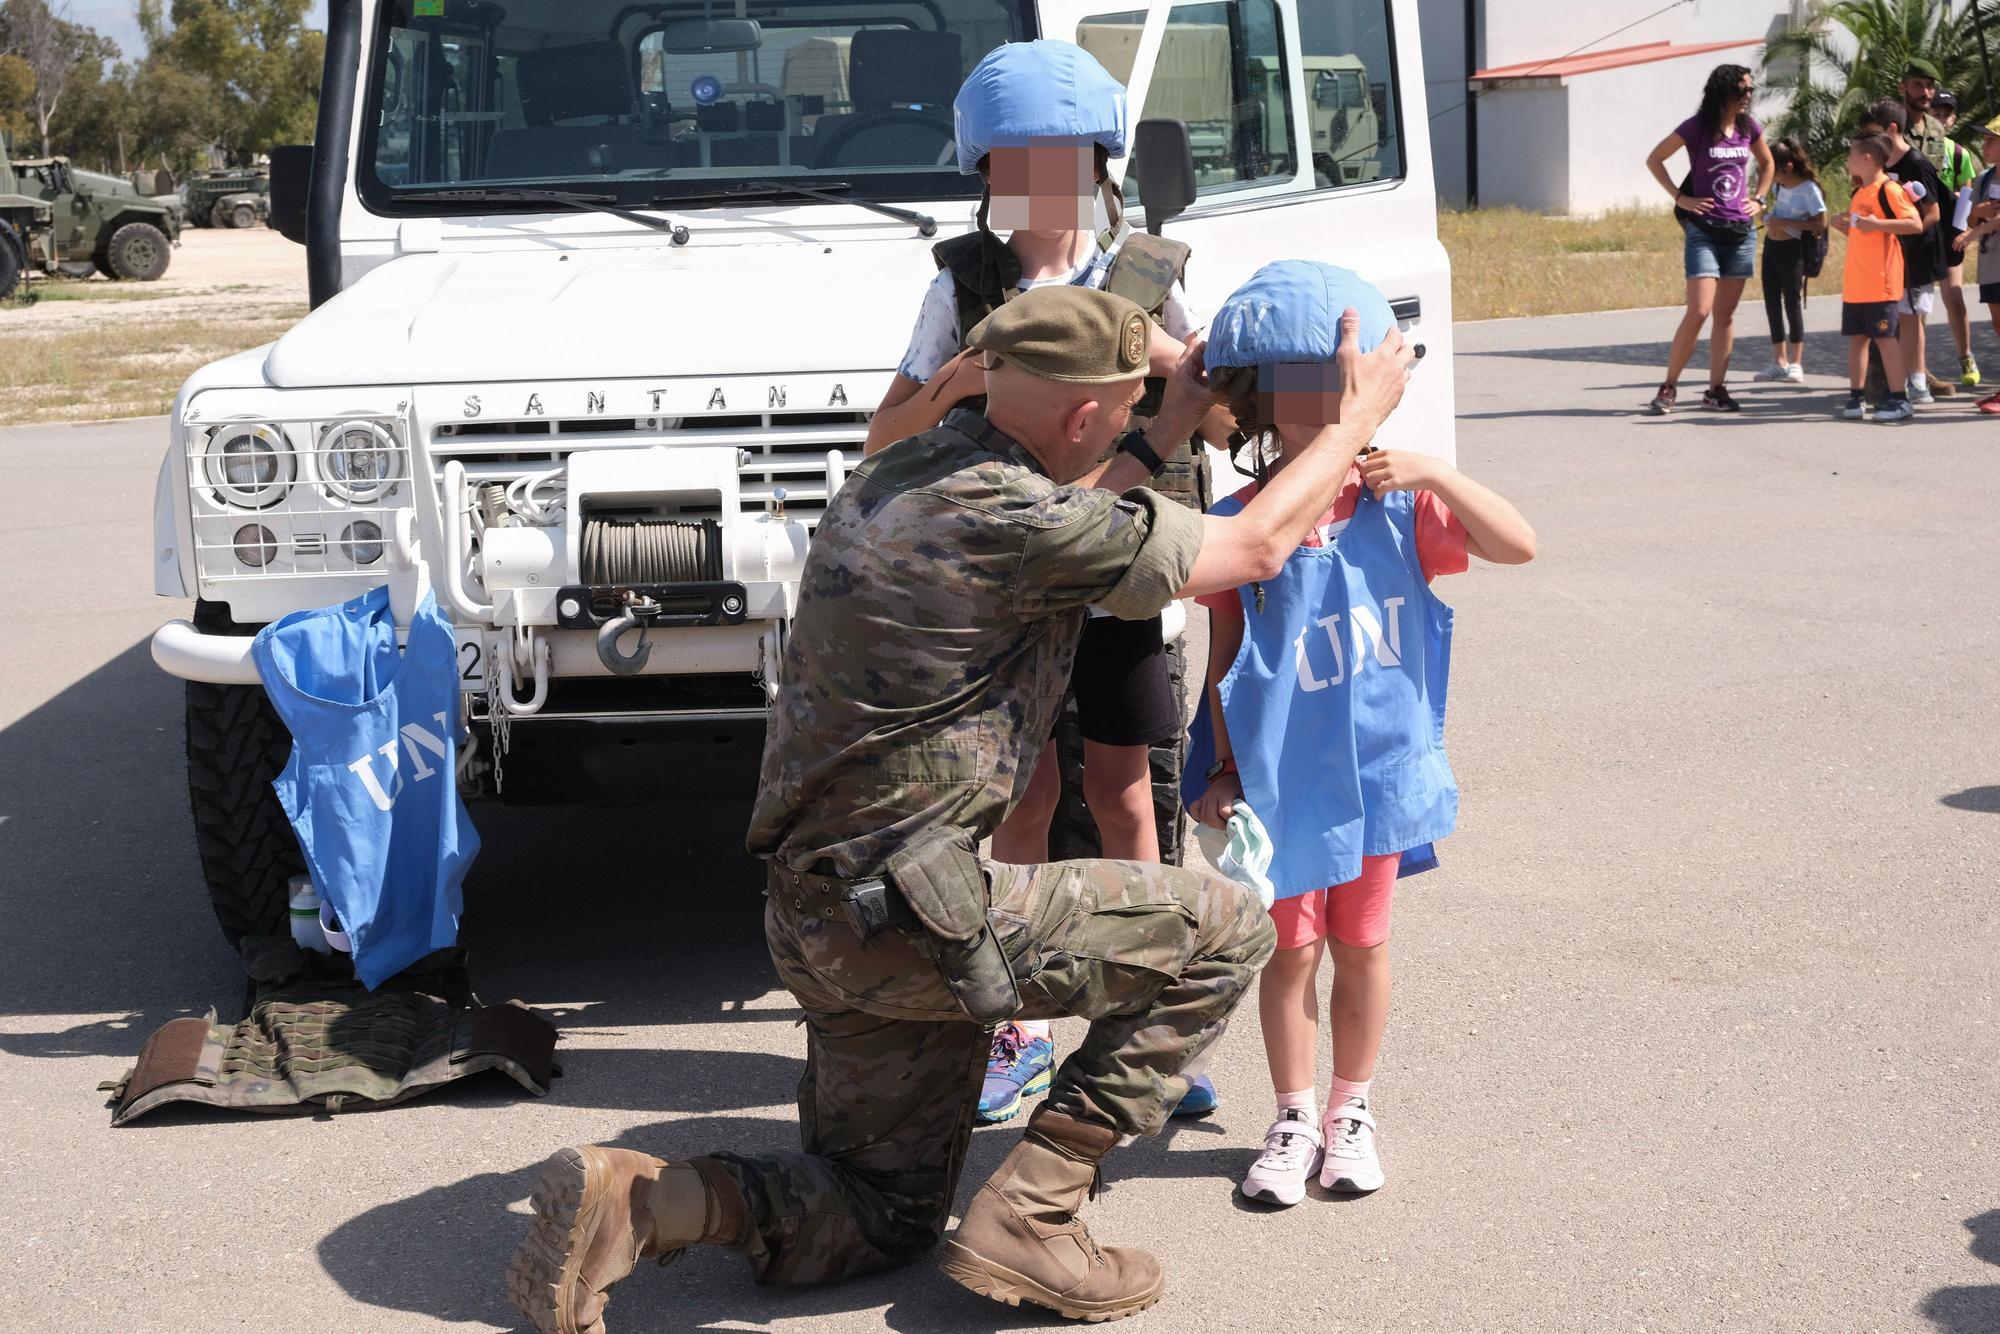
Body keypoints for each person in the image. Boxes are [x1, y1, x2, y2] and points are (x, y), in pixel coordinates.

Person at [504, 283, 1418, 1333]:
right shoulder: (1019, 520)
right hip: (920, 920)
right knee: (1223, 930)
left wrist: (1162, 424)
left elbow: (1081, 513)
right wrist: (1352, 422)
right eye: (1126, 406)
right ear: (1083, 416)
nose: (1130, 419)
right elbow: (1251, 548)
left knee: (881, 1213)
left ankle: (647, 1201)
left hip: (816, 915)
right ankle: (1035, 1209)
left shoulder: (897, 474)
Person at [863, 38, 1225, 1126]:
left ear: (1098, 165)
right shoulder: (961, 284)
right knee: (1018, 802)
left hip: (1113, 575)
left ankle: (1145, 1024)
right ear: (982, 174)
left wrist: (1167, 359)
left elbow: (1215, 410)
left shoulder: (1151, 275)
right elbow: (880, 442)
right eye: (1013, 162)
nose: (1036, 184)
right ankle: (1011, 1027)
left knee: (1125, 800)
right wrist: (959, 380)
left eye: (1059, 160)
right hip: (1002, 587)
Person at [1180, 261, 1535, 1207]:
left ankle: (1352, 1111)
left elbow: (1519, 544)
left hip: (1382, 774)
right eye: (1291, 389)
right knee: (1289, 952)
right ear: (1257, 403)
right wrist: (1217, 768)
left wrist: (1432, 469)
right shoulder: (1238, 523)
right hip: (1282, 783)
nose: (1314, 407)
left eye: (1331, 384)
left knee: (1364, 945)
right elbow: (1222, 656)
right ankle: (1293, 1115)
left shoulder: (1401, 507)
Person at [1643, 63, 1773, 415]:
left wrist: (1759, 199)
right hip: (1704, 231)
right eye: (1742, 90)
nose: (1748, 96)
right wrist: (1679, 197)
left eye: (1750, 90)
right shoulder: (1697, 127)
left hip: (1740, 232)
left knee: (1725, 315)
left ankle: (1716, 390)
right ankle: (1669, 386)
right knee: (1699, 310)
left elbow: (1768, 164)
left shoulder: (1749, 128)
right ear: (1723, 90)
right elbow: (1655, 159)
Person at [1858, 101, 1947, 406]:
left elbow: (1933, 213)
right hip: (1887, 255)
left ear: (1892, 130)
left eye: (1873, 134)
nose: (1867, 142)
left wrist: (1900, 228)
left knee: (1911, 317)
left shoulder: (1916, 163)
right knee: (1895, 317)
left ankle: (1917, 381)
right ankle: (1897, 380)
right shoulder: (1878, 166)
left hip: (1917, 254)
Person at [1832, 135, 1923, 423]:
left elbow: (1914, 223)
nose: (1847, 160)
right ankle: (1856, 396)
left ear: (1867, 158)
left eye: (1850, 154)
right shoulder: (1860, 192)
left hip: (1881, 282)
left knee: (1884, 339)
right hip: (1857, 282)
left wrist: (1877, 224)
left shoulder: (1889, 189)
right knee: (1857, 340)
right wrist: (1843, 226)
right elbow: (1864, 233)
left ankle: (1900, 398)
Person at [1752, 138, 1827, 383]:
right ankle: (1778, 360)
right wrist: (1769, 216)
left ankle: (1796, 362)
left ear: (1789, 167)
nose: (1772, 177)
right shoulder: (1779, 187)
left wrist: (1787, 223)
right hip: (1772, 246)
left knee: (1791, 304)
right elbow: (1777, 210)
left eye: (1775, 171)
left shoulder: (1809, 189)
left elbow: (1820, 223)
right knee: (1771, 302)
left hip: (1793, 249)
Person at [1927, 88, 1982, 390]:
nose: (1940, 117)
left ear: (1953, 119)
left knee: (1953, 296)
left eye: (1946, 113)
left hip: (1949, 231)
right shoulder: (1915, 150)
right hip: (1922, 228)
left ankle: (1966, 356)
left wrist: (1964, 230)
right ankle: (1915, 368)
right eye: (1935, 112)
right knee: (1916, 302)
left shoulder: (1959, 153)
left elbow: (1968, 195)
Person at [1950, 117, 2000, 413]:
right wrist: (1975, 216)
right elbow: (1966, 219)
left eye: (1991, 140)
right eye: (1985, 140)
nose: (1985, 145)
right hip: (1990, 261)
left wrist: (1976, 231)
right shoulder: (1983, 179)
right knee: (1997, 323)